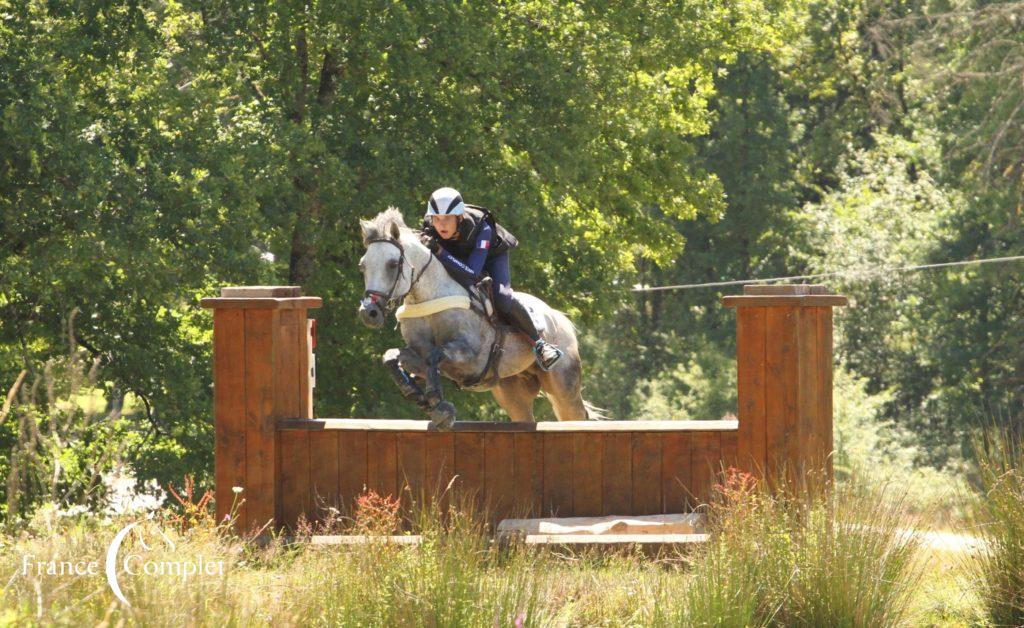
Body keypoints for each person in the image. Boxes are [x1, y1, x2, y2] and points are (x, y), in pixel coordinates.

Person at [419, 186, 564, 371]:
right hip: (459, 258)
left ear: (459, 216)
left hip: (490, 257)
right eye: (437, 219)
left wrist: (440, 252)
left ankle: (541, 345)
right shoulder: (428, 227)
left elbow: (471, 274)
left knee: (502, 299)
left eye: (447, 218)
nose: (441, 225)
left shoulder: (482, 227)